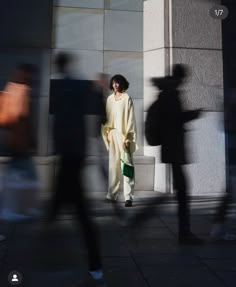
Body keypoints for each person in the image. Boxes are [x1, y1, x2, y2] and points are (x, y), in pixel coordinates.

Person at [48, 52, 106, 286]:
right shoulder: (77, 86)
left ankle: (94, 265)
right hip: (75, 155)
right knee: (77, 213)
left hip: (68, 157)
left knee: (76, 212)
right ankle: (94, 265)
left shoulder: (63, 87)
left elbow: (61, 124)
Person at [101, 74, 138, 207]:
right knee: (113, 166)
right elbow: (106, 118)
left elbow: (131, 119)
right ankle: (112, 195)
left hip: (123, 136)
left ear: (122, 84)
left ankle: (129, 197)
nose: (115, 85)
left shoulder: (127, 98)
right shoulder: (110, 99)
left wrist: (128, 137)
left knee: (127, 165)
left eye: (117, 83)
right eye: (113, 83)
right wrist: (107, 134)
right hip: (112, 134)